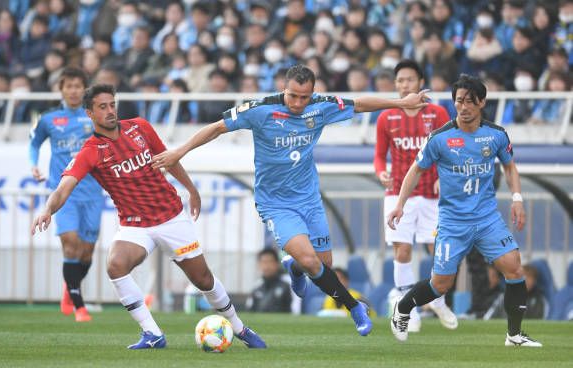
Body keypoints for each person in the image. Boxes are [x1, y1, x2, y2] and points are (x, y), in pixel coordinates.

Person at [151, 64, 429, 337]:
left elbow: (359, 104)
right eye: (293, 96)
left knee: (322, 263)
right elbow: (216, 128)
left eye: (304, 97)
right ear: (284, 89)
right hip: (275, 203)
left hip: (309, 199)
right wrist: (180, 151)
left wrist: (400, 103)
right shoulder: (260, 110)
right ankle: (355, 308)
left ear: (312, 93)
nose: (297, 103)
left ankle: (293, 267)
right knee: (311, 261)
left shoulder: (321, 106)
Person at [31, 84, 266, 350]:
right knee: (115, 266)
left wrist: (191, 189)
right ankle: (153, 334)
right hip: (135, 225)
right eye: (102, 107)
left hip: (171, 217)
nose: (110, 111)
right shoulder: (91, 151)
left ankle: (240, 328)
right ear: (89, 113)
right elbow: (64, 187)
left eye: (112, 104)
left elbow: (170, 159)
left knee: (203, 280)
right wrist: (47, 210)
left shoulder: (139, 127)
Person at [388, 74, 542, 347]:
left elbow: (509, 166)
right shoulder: (440, 138)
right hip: (453, 222)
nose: (464, 107)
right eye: (459, 101)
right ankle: (403, 307)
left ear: (482, 102)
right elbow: (416, 169)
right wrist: (400, 204)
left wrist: (517, 198)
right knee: (441, 284)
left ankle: (514, 335)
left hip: (487, 219)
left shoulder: (495, 134)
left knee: (514, 269)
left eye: (470, 102)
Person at [374, 59, 458, 333]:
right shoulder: (386, 116)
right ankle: (408, 308)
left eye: (409, 79)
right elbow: (378, 155)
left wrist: (444, 179)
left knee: (439, 250)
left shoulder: (437, 114)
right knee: (403, 248)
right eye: (399, 80)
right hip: (397, 193)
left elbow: (451, 149)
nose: (404, 85)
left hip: (432, 195)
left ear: (420, 82)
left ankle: (438, 300)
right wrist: (380, 172)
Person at [29, 67, 103, 323]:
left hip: (93, 192)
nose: (73, 90)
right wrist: (34, 164)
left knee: (87, 252)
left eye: (78, 86)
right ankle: (79, 305)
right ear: (61, 89)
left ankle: (69, 286)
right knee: (70, 244)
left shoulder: (93, 117)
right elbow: (34, 142)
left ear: (85, 89)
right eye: (68, 86)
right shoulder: (49, 118)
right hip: (63, 193)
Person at [246, 248, 293, 313]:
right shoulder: (256, 287)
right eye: (264, 262)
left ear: (277, 264)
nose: (267, 266)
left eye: (270, 262)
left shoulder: (288, 285)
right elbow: (249, 312)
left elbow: (295, 311)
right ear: (259, 265)